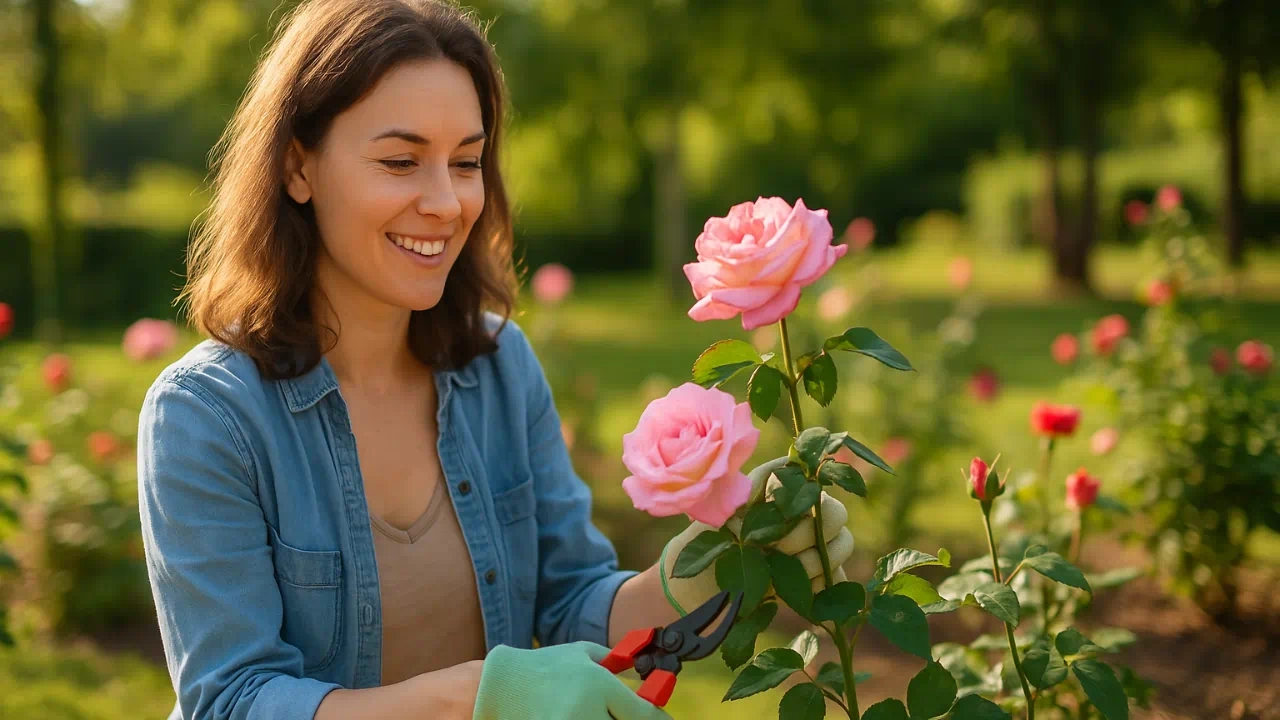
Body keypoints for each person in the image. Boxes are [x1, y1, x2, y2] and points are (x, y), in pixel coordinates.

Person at [135, 1, 856, 718]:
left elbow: (573, 601)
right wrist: (479, 700)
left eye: (467, 162)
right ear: (297, 167)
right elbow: (232, 699)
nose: (447, 203)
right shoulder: (207, 418)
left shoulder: (498, 365)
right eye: (400, 161)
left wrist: (706, 563)